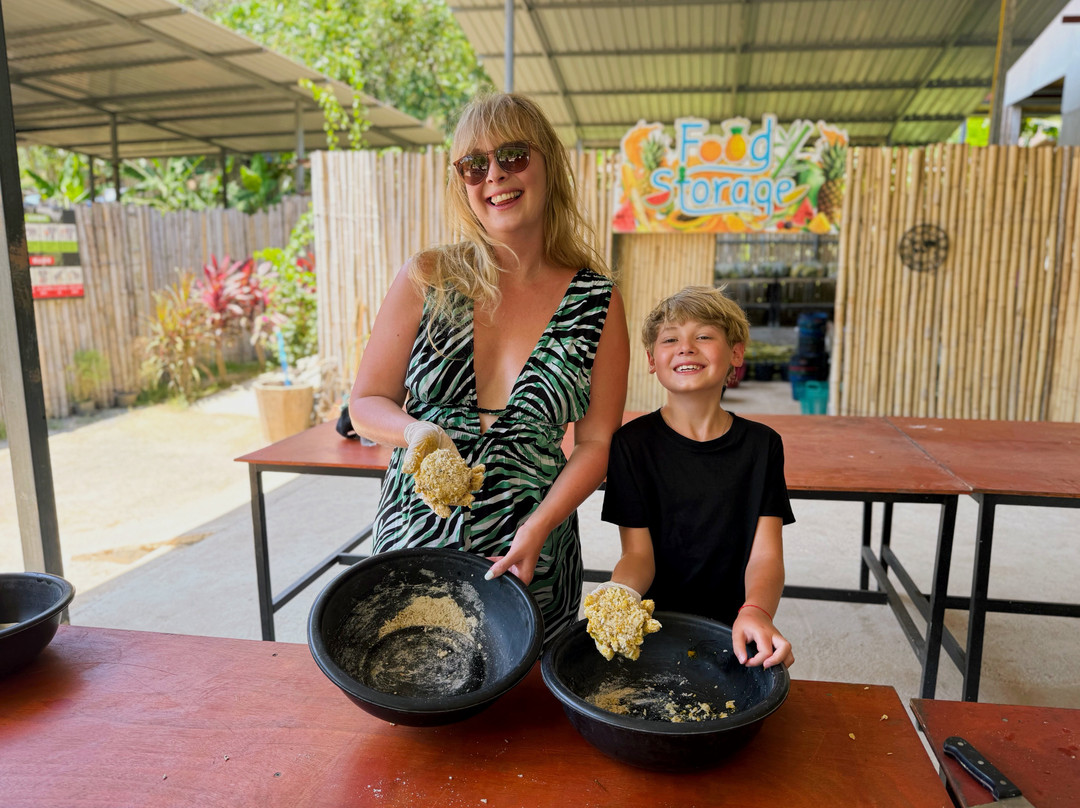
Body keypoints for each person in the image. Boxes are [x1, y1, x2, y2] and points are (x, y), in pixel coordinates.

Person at [348, 92, 629, 642]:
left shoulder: (597, 298)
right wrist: (416, 431)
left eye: (514, 155)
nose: (494, 175)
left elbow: (597, 443)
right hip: (413, 544)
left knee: (524, 720)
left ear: (548, 161)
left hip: (533, 557)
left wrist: (540, 527)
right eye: (474, 165)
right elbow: (365, 403)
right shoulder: (427, 276)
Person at [598, 285, 795, 668]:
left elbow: (766, 555)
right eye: (670, 339)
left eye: (703, 336)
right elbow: (638, 555)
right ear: (652, 359)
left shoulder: (763, 445)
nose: (686, 347)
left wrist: (756, 610)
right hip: (652, 627)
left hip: (732, 625)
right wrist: (619, 595)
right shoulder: (630, 445)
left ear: (736, 353)